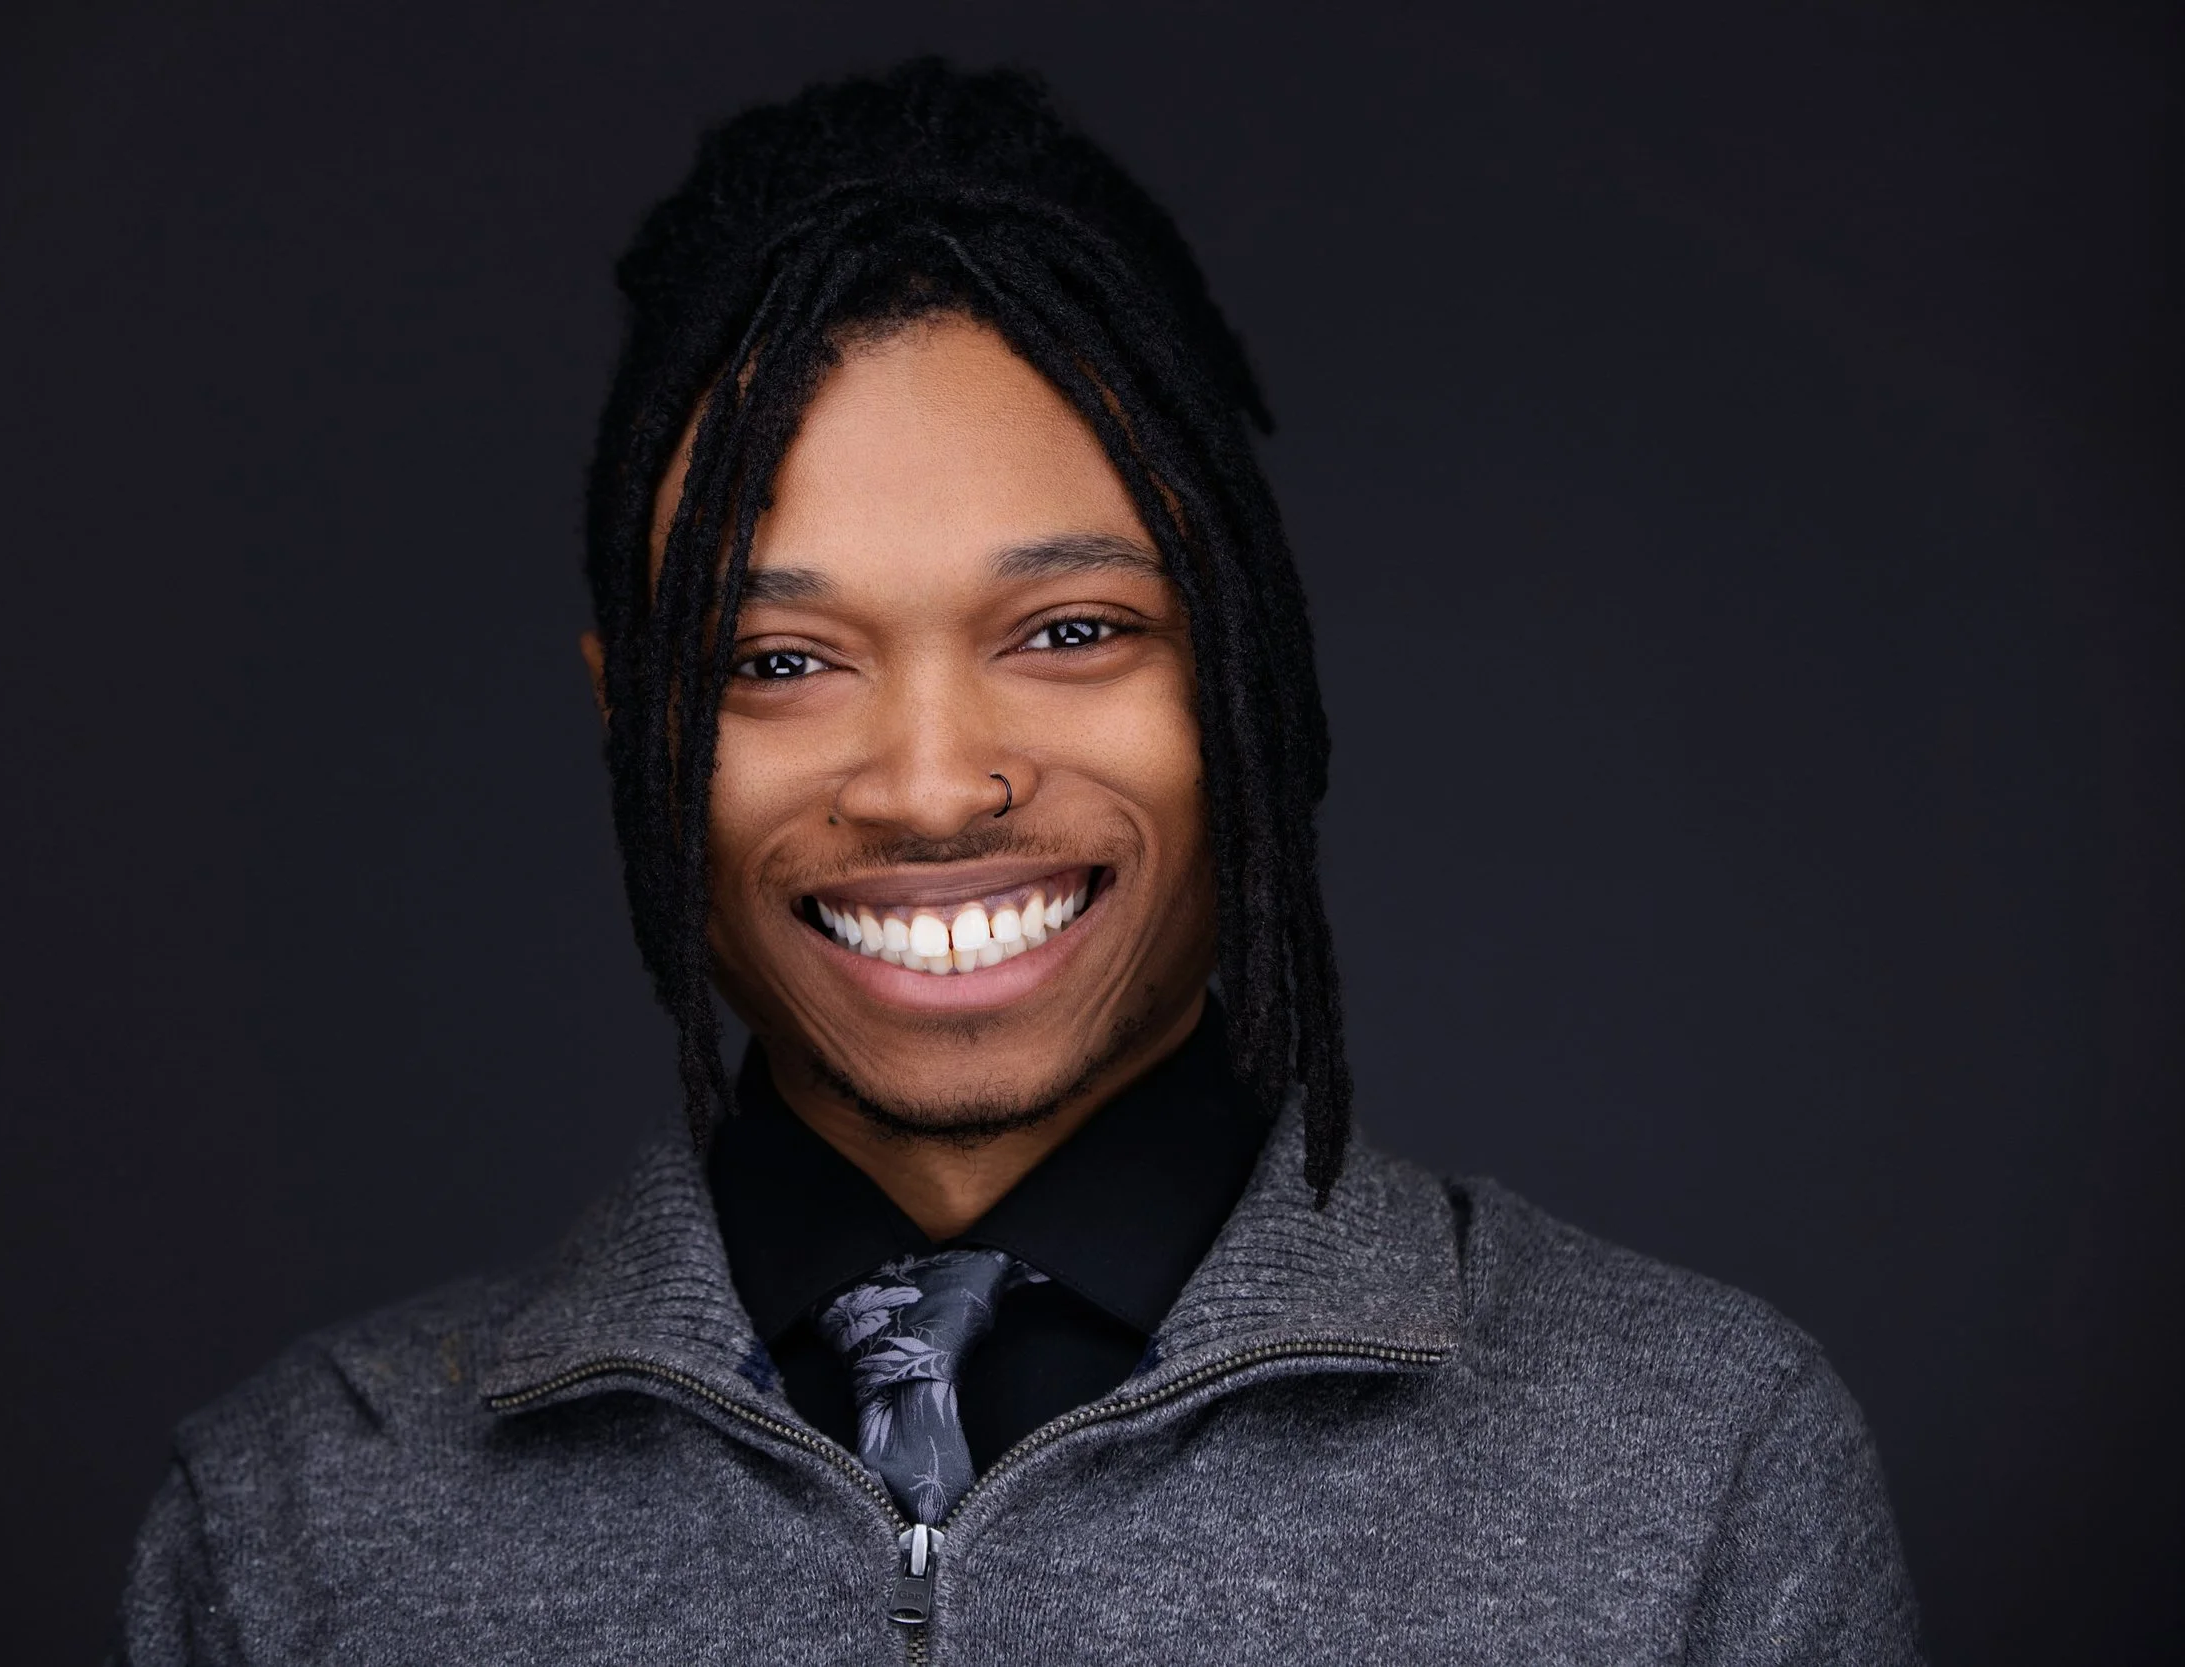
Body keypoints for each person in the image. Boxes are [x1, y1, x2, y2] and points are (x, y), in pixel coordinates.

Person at [113, 59, 1922, 1664]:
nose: (927, 784)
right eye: (777, 662)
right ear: (633, 722)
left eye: (1069, 630)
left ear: (1249, 664)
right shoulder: (298, 1535)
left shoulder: (1694, 1466)